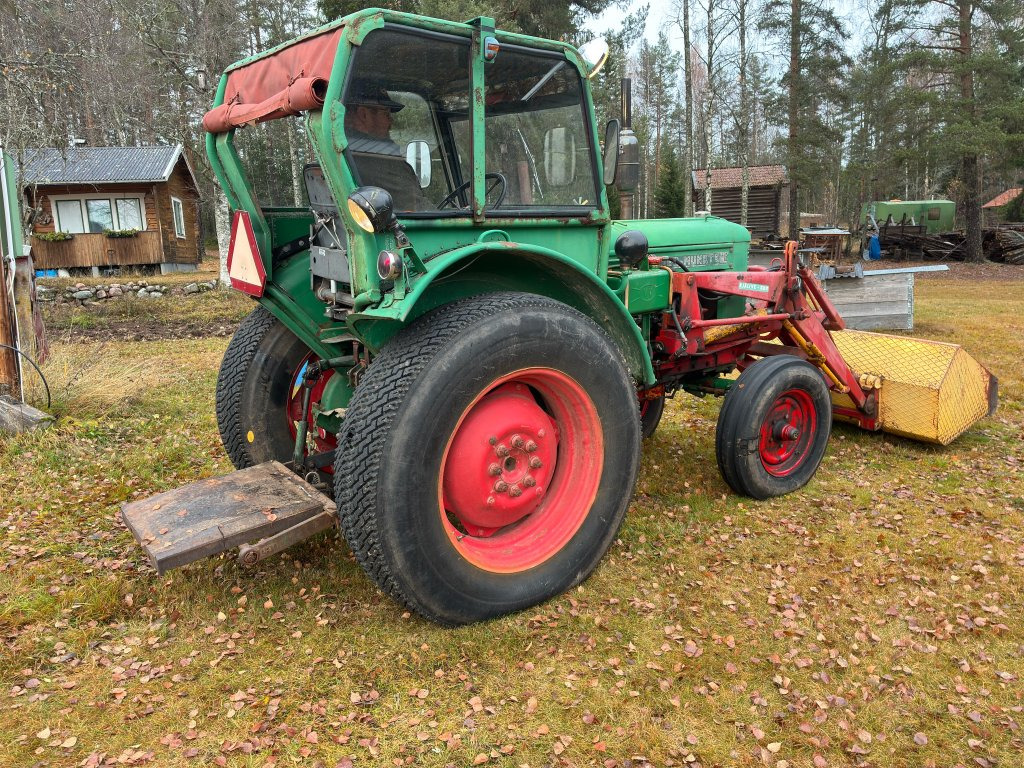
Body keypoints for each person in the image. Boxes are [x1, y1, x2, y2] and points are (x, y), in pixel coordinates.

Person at [343, 82, 425, 210]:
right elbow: (415, 207)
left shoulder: (343, 150)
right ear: (364, 114)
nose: (390, 121)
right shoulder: (379, 159)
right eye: (386, 114)